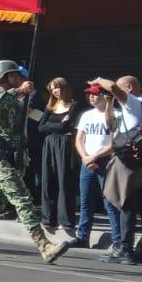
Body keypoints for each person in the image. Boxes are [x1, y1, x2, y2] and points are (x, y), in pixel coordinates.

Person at [0, 61, 70, 263]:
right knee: (22, 198)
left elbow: (30, 118)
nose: (18, 78)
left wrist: (28, 99)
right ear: (3, 78)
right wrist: (18, 91)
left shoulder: (15, 98)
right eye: (13, 75)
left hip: (14, 156)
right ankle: (44, 246)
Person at [91, 76, 142, 265]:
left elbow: (113, 87)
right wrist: (109, 103)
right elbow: (111, 125)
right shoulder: (137, 108)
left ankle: (125, 249)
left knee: (127, 204)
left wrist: (98, 80)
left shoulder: (133, 102)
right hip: (137, 161)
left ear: (130, 88)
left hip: (129, 163)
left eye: (122, 89)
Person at [70, 84, 114, 251]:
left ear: (105, 96)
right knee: (85, 201)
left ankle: (117, 240)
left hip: (105, 160)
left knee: (109, 201)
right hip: (87, 161)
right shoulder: (87, 115)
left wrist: (95, 157)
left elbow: (113, 143)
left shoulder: (113, 115)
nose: (91, 97)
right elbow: (79, 139)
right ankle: (82, 237)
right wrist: (86, 158)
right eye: (89, 95)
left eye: (95, 94)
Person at [37, 78, 81, 236]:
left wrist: (54, 126)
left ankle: (66, 220)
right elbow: (41, 127)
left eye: (57, 87)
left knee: (64, 180)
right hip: (49, 144)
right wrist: (57, 125)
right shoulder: (51, 106)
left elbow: (66, 126)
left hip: (65, 144)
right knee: (48, 179)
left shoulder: (74, 105)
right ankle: (48, 218)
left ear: (65, 87)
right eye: (52, 89)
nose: (56, 91)